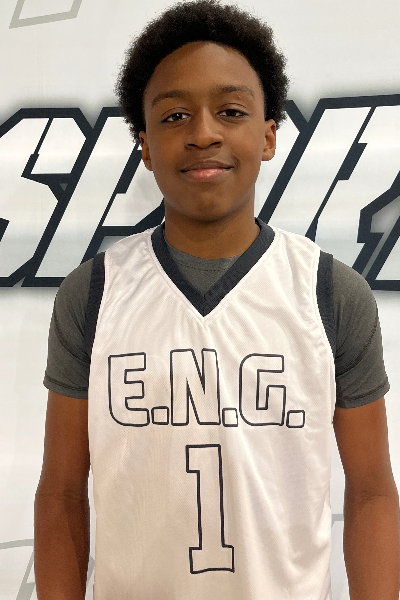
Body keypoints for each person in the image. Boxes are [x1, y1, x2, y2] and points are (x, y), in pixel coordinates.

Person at [34, 1, 400, 598]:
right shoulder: (94, 293)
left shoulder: (330, 293)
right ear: (145, 145)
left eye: (230, 111)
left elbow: (372, 492)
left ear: (268, 135)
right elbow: (60, 493)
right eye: (175, 115)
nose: (203, 133)